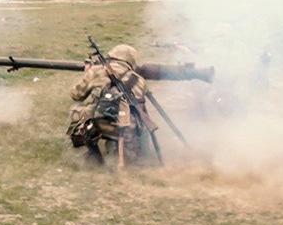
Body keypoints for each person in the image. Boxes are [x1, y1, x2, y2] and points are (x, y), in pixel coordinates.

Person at [68, 44, 212, 166]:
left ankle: (93, 153)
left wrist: (88, 73)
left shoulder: (97, 71)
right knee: (129, 149)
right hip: (127, 131)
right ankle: (121, 152)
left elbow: (76, 95)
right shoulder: (139, 80)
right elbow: (142, 111)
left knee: (76, 111)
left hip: (100, 124)